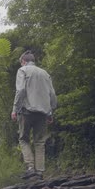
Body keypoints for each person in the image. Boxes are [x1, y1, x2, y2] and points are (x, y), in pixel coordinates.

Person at [11, 51, 57, 179]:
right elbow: (52, 95)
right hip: (43, 113)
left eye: (21, 62)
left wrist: (15, 109)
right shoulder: (45, 73)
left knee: (23, 139)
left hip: (26, 111)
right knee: (40, 142)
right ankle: (40, 172)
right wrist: (50, 112)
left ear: (23, 61)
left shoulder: (22, 70)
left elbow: (20, 90)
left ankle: (30, 168)